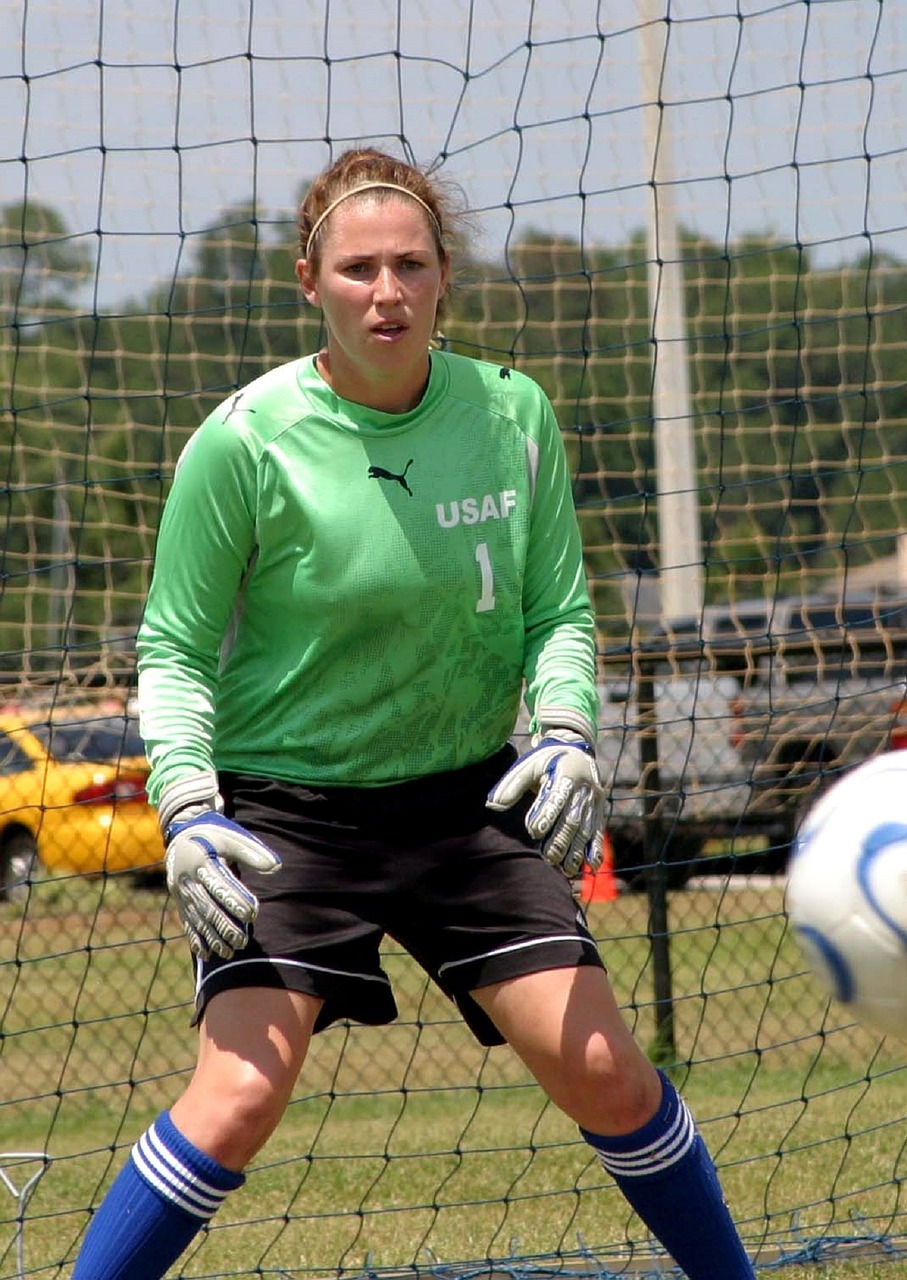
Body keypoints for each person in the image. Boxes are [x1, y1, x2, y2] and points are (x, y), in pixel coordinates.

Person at [72, 147, 754, 1280]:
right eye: (356, 269)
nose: (384, 290)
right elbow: (175, 648)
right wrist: (186, 806)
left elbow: (558, 614)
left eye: (408, 264)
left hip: (462, 800)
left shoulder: (512, 414)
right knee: (237, 1095)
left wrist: (570, 729)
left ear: (445, 276)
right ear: (309, 282)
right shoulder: (241, 442)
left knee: (607, 1070)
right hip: (286, 817)